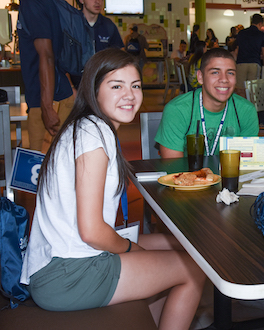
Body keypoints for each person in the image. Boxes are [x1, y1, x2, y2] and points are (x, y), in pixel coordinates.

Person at [20, 48, 207, 329]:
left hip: (62, 256)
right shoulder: (94, 136)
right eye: (116, 86)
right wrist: (132, 250)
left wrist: (135, 250)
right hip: (67, 272)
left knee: (182, 246)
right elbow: (93, 232)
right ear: (94, 90)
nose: (129, 95)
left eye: (135, 86)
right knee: (194, 270)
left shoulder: (87, 127)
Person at [155, 48, 259, 158]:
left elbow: (248, 164)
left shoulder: (246, 111)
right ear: (200, 77)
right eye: (215, 72)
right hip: (187, 173)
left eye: (230, 73)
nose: (224, 79)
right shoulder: (178, 110)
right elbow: (174, 168)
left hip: (230, 174)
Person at [17, 0, 75, 152]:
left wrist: (47, 108)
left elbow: (47, 55)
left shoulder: (32, 4)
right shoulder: (52, 3)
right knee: (57, 163)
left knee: (42, 167)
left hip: (46, 100)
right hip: (58, 93)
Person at [71, 0, 125, 88]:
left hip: (102, 85)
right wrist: (70, 87)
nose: (97, 2)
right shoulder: (71, 24)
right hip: (76, 85)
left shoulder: (108, 26)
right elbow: (60, 59)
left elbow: (118, 58)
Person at [235, 13, 264, 97]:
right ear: (260, 23)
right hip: (254, 64)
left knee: (239, 89)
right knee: (252, 90)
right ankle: (251, 108)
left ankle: (240, 109)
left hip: (241, 63)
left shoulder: (241, 33)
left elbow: (236, 51)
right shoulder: (261, 35)